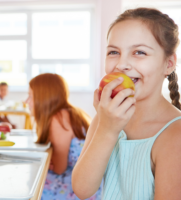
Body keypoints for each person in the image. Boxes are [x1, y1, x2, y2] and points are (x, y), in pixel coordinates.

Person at [72, 8, 181, 200]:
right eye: (113, 52)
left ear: (169, 63)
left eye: (139, 52)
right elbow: (83, 189)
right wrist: (106, 129)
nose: (121, 64)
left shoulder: (175, 135)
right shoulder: (106, 118)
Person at [25, 73, 102, 200]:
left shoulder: (58, 119)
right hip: (89, 184)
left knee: (31, 185)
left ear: (44, 98)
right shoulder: (71, 112)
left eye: (31, 96)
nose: (26, 101)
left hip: (80, 188)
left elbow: (59, 169)